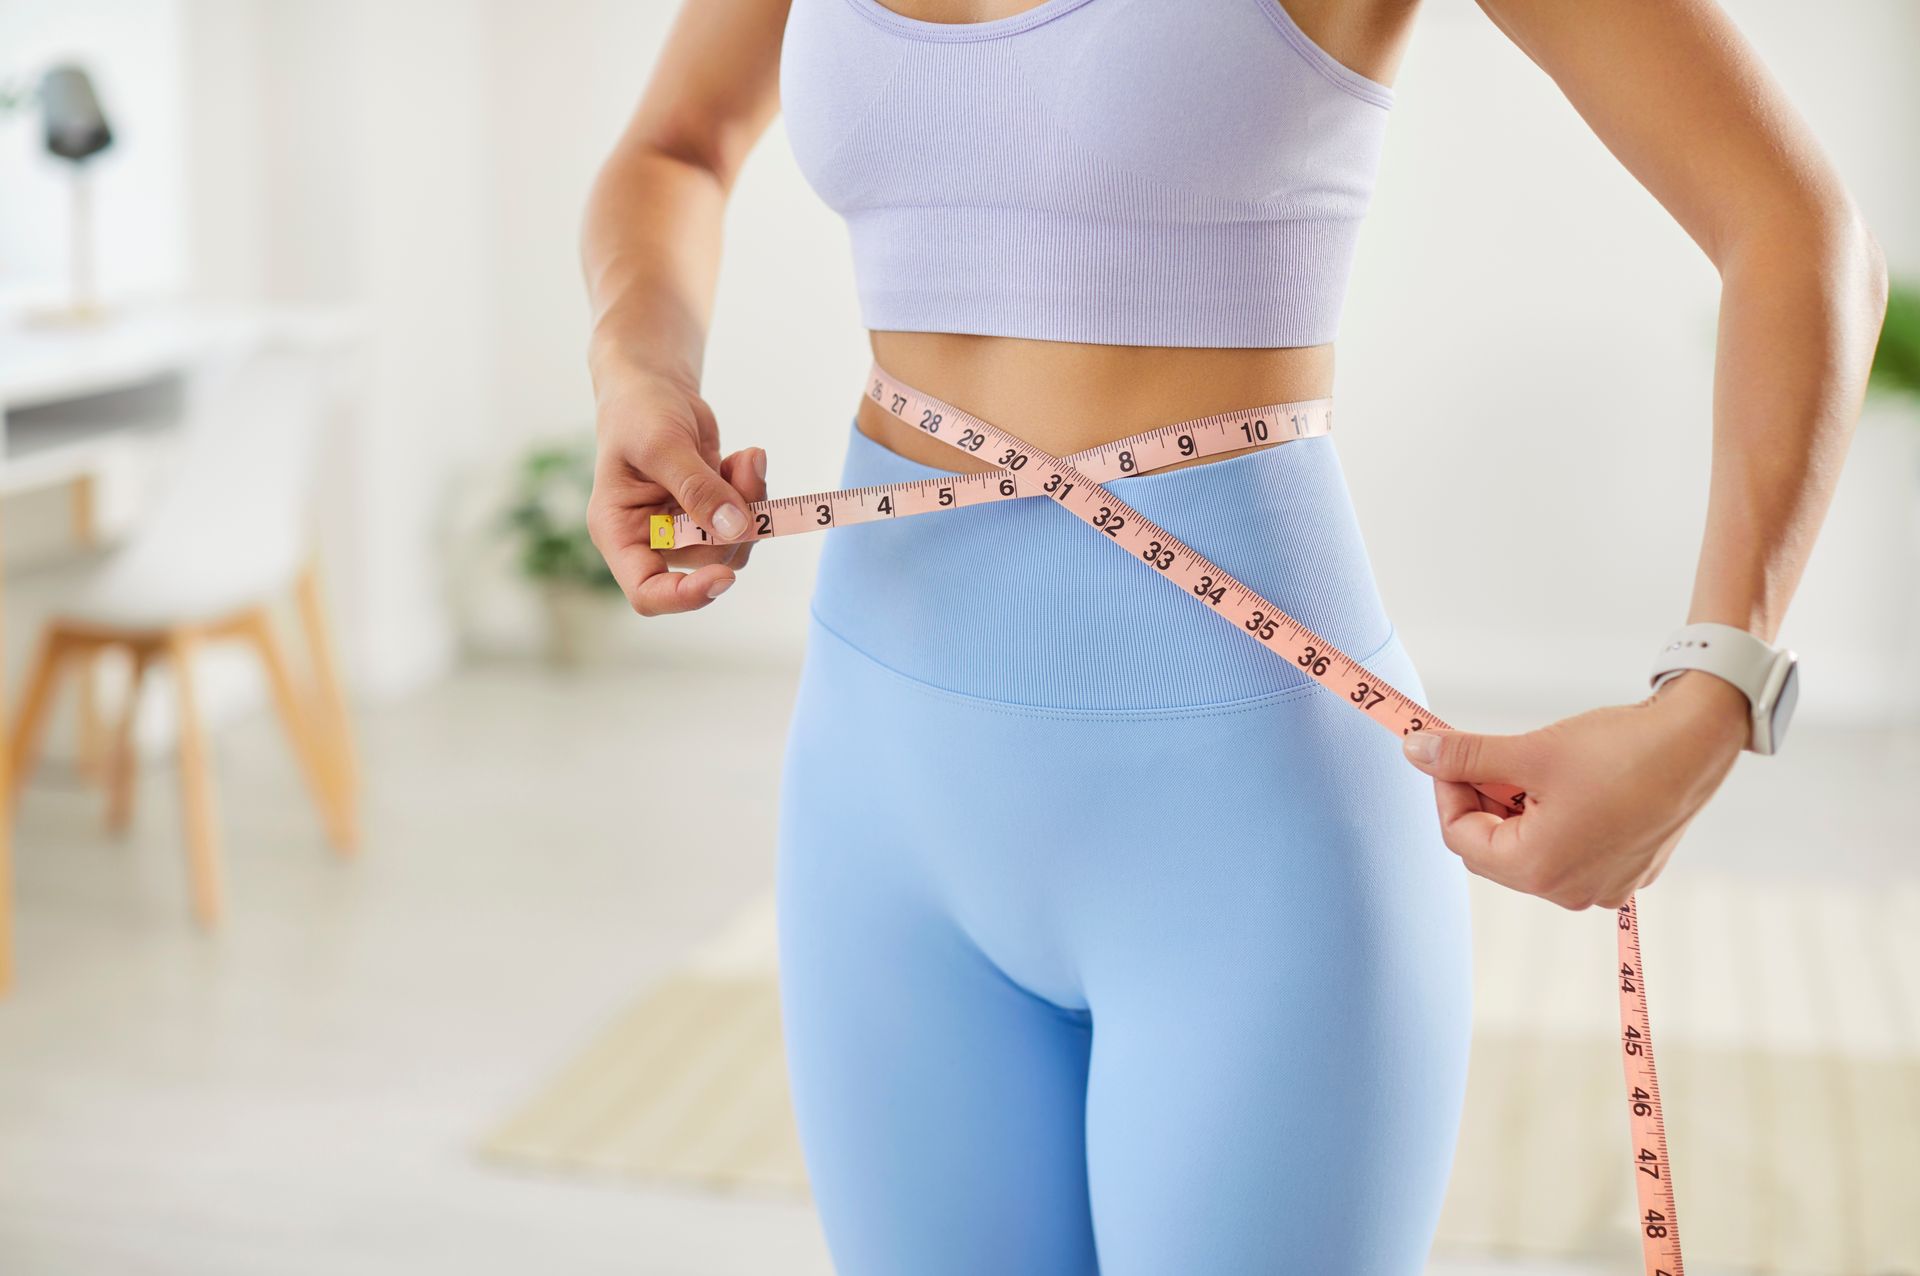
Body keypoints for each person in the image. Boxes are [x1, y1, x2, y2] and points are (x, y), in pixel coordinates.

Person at [580, 1, 1886, 1271]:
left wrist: (1718, 687)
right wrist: (639, 366)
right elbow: (677, 142)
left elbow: (1795, 228)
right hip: (875, 800)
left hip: (1247, 831)